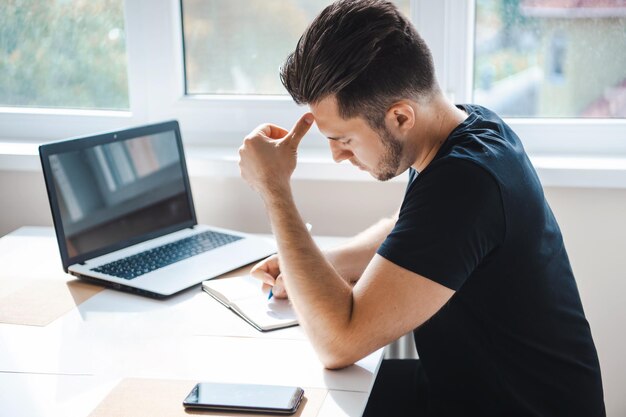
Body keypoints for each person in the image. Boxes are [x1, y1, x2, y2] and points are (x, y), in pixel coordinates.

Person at [237, 0, 605, 415]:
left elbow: (338, 341)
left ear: (399, 117)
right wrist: (320, 264)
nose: (339, 155)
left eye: (343, 139)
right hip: (468, 388)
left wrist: (274, 190)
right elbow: (410, 228)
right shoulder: (465, 129)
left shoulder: (467, 183)